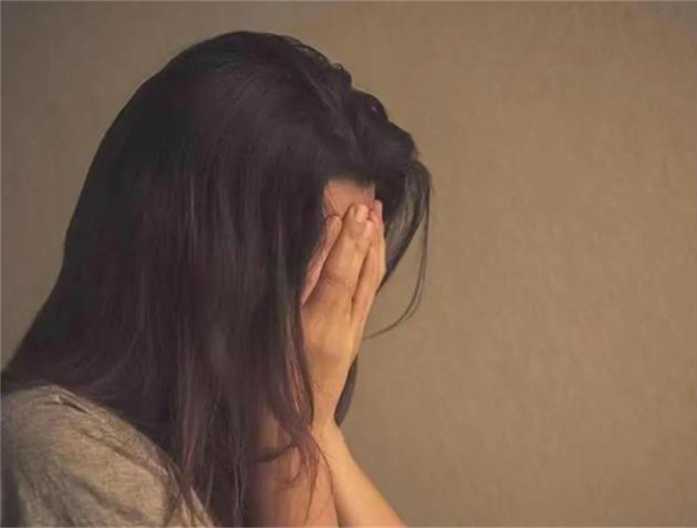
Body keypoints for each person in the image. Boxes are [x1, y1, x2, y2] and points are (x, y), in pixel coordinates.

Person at [1, 30, 431, 526]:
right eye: (328, 264)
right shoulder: (61, 456)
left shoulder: (244, 443)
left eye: (355, 265)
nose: (337, 315)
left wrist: (315, 429)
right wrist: (292, 427)